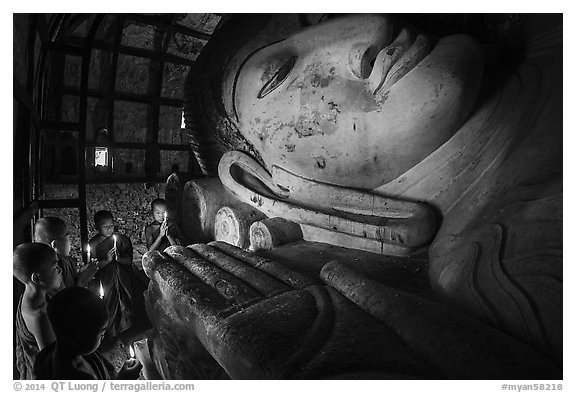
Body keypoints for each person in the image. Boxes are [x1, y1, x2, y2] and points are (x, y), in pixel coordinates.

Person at [34, 286, 142, 380]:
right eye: (101, 334)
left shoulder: (54, 351)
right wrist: (123, 381)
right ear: (79, 338)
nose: (103, 338)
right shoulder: (80, 378)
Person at [88, 210, 145, 340]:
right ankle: (111, 333)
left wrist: (118, 259)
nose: (109, 229)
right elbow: (92, 267)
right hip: (106, 281)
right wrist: (107, 260)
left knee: (125, 302)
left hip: (123, 278)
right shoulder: (94, 244)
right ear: (96, 227)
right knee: (109, 304)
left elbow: (129, 261)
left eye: (111, 226)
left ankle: (128, 330)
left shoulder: (122, 240)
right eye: (105, 227)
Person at [14, 243, 63, 379]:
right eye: (55, 267)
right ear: (36, 278)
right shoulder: (39, 316)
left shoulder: (33, 295)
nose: (60, 270)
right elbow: (54, 364)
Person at [34, 216, 97, 292]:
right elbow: (66, 300)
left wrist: (82, 274)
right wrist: (82, 280)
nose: (70, 243)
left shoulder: (65, 261)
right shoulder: (51, 271)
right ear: (54, 244)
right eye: (68, 239)